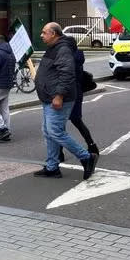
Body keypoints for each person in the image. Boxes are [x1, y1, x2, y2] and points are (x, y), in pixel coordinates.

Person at [33, 22, 97, 180]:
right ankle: (52, 167)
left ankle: (87, 157)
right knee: (49, 132)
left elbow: (67, 74)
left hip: (59, 98)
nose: (41, 35)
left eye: (44, 32)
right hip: (49, 97)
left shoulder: (63, 49)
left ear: (53, 33)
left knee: (55, 131)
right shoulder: (53, 48)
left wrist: (59, 95)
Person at [59, 34, 99, 162]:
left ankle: (59, 153)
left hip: (68, 94)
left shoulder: (69, 58)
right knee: (77, 121)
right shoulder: (78, 57)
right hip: (77, 92)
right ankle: (92, 146)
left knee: (60, 124)